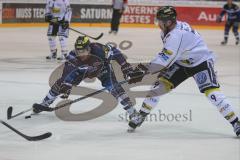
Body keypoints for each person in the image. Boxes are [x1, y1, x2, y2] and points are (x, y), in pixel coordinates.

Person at [127, 6, 240, 136]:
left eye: (160, 21)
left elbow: (164, 59)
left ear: (168, 22)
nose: (158, 24)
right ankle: (141, 116)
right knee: (158, 87)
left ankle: (235, 122)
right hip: (182, 63)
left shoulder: (176, 35)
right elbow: (168, 55)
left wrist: (142, 72)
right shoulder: (170, 29)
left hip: (201, 63)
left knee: (212, 93)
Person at [32, 36, 138, 119]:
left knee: (114, 87)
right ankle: (45, 103)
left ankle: (132, 112)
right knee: (60, 83)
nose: (81, 54)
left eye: (83, 50)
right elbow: (68, 73)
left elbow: (115, 51)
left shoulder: (99, 49)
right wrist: (66, 84)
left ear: (89, 48)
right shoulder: (73, 56)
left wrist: (125, 65)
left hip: (102, 69)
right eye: (79, 51)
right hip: (82, 72)